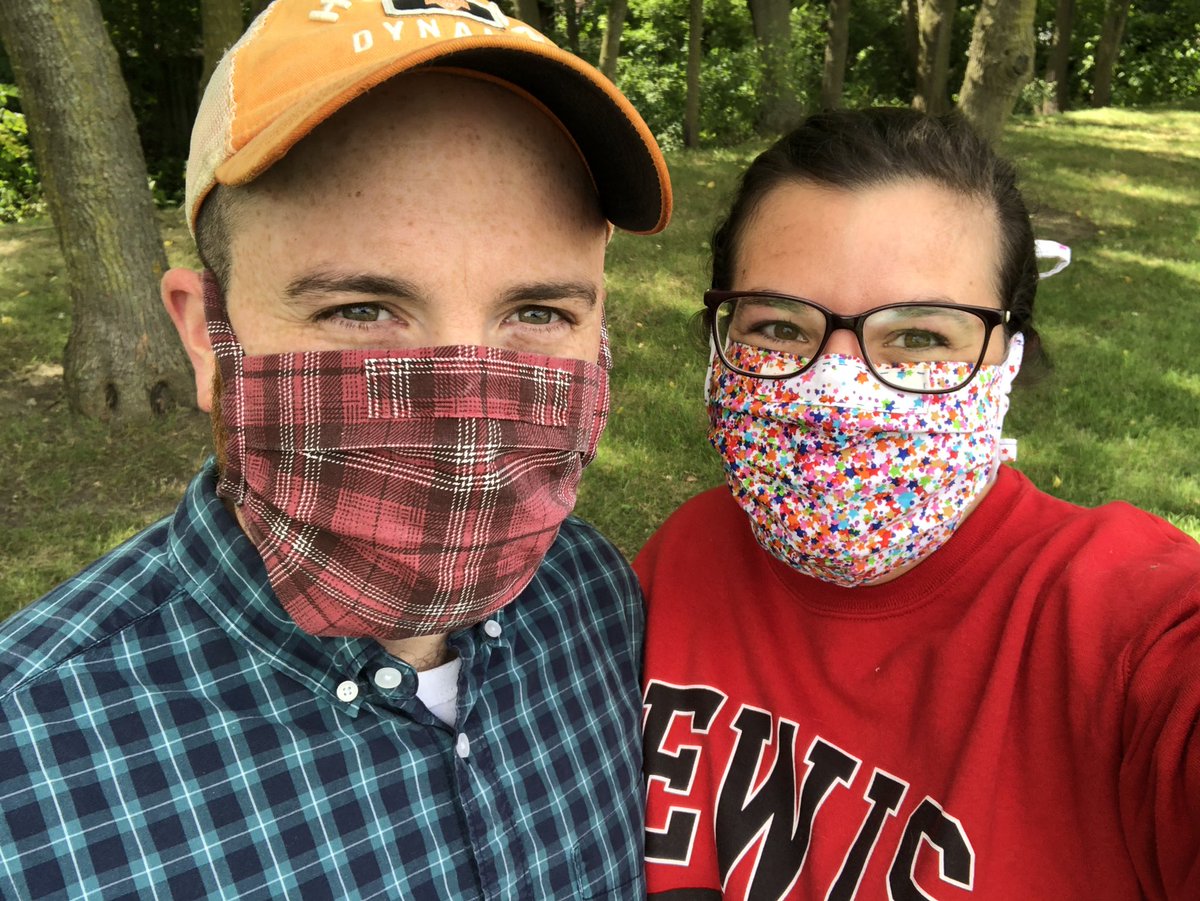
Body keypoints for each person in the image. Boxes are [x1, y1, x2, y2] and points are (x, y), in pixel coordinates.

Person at [0, 2, 671, 898]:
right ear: (207, 337)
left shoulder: (598, 604)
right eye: (361, 309)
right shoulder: (25, 767)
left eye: (539, 313)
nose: (467, 415)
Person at [638, 108, 1200, 900]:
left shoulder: (1129, 625)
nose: (835, 389)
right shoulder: (683, 557)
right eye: (778, 324)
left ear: (1008, 358)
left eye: (922, 337)